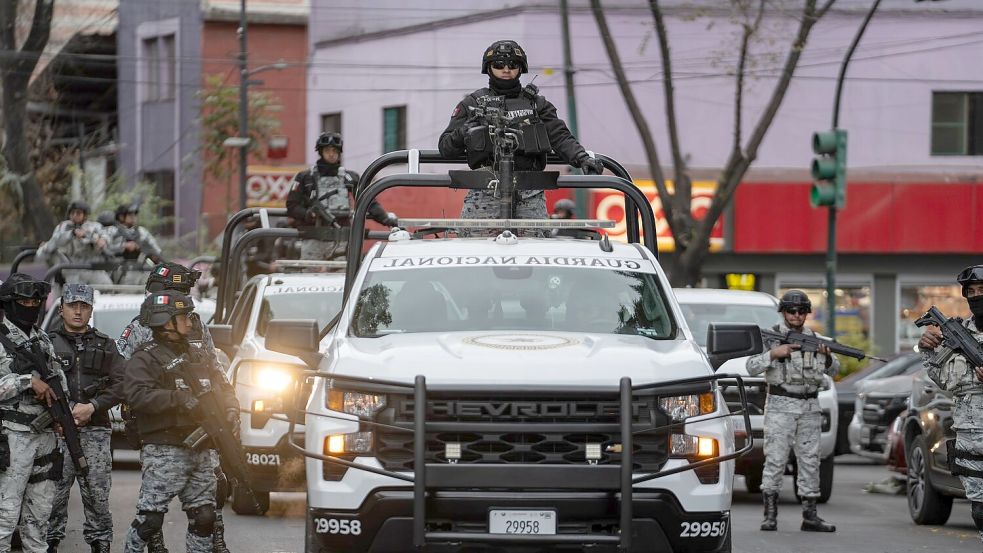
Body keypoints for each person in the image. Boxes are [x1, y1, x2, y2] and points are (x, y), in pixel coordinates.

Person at [116, 262, 230, 553]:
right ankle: (154, 543)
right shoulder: (143, 327)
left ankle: (215, 538)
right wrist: (170, 398)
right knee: (153, 510)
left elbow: (214, 368)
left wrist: (227, 405)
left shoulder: (195, 325)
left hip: (200, 425)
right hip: (161, 429)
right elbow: (124, 375)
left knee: (210, 498)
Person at [438, 40, 604, 222]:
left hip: (530, 192)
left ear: (520, 68)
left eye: (512, 64)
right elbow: (446, 148)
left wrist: (582, 158)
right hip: (484, 190)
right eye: (499, 64)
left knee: (533, 241)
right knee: (478, 240)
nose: (506, 69)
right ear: (489, 68)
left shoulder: (537, 105)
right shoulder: (472, 104)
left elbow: (560, 136)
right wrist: (465, 131)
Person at [746, 290, 837, 533]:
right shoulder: (771, 337)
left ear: (807, 313)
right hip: (780, 405)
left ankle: (810, 515)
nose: (796, 315)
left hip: (810, 407)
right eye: (791, 311)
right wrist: (773, 354)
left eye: (801, 311)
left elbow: (834, 370)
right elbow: (751, 366)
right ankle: (770, 515)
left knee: (810, 461)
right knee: (775, 460)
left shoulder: (816, 339)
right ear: (783, 312)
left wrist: (827, 358)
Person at [45, 284, 124, 553]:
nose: (78, 311)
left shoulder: (106, 344)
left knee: (97, 495)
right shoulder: (45, 343)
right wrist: (61, 413)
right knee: (53, 496)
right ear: (61, 309)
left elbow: (123, 384)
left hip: (96, 431)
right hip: (56, 432)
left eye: (84, 306)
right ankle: (49, 542)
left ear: (91, 310)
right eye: (72, 306)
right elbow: (35, 384)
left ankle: (100, 542)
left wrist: (93, 406)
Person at [0, 274, 67, 553]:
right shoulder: (2, 339)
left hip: (46, 436)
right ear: (10, 304)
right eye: (24, 302)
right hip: (13, 437)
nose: (30, 307)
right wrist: (27, 381)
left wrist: (63, 415)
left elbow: (57, 378)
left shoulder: (42, 339)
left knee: (39, 516)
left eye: (35, 302)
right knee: (6, 514)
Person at [917, 264, 983, 544]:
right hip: (970, 435)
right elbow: (942, 378)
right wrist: (927, 350)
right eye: (972, 292)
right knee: (980, 508)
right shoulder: (957, 332)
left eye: (982, 290)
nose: (977, 296)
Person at [286, 132, 397, 261]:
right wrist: (307, 214)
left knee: (342, 272)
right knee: (309, 271)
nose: (331, 154)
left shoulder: (350, 177)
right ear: (321, 152)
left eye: (335, 150)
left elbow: (368, 202)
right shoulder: (305, 177)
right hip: (313, 236)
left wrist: (386, 220)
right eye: (327, 150)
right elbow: (291, 206)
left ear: (339, 152)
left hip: (341, 239)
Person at [45, 201, 113, 285]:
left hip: (92, 267)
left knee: (107, 286)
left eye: (78, 213)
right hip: (71, 268)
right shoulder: (63, 226)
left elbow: (106, 237)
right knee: (75, 291)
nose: (74, 215)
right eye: (72, 213)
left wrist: (102, 240)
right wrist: (72, 233)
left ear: (85, 215)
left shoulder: (95, 226)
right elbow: (55, 242)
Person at [105, 203, 163, 284]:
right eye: (130, 214)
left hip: (140, 267)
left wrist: (151, 254)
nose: (133, 217)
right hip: (118, 268)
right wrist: (123, 246)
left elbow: (156, 250)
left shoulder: (142, 232)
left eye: (135, 214)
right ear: (121, 216)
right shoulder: (111, 230)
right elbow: (103, 249)